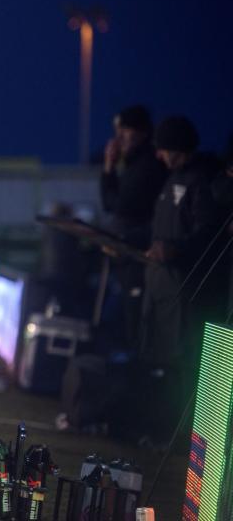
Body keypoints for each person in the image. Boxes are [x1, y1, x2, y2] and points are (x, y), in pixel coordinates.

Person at [139, 116, 225, 441]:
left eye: (164, 150)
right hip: (161, 288)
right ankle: (161, 432)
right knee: (161, 362)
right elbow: (156, 231)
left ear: (177, 148)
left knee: (181, 366)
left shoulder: (201, 180)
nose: (160, 156)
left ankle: (180, 440)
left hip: (183, 291)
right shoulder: (171, 179)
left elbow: (208, 234)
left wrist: (173, 250)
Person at [99, 105, 168, 349]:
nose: (118, 138)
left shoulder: (147, 166)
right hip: (127, 258)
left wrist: (122, 237)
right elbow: (112, 205)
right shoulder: (131, 165)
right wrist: (109, 168)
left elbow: (119, 206)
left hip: (139, 258)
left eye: (124, 130)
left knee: (133, 327)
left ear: (140, 132)